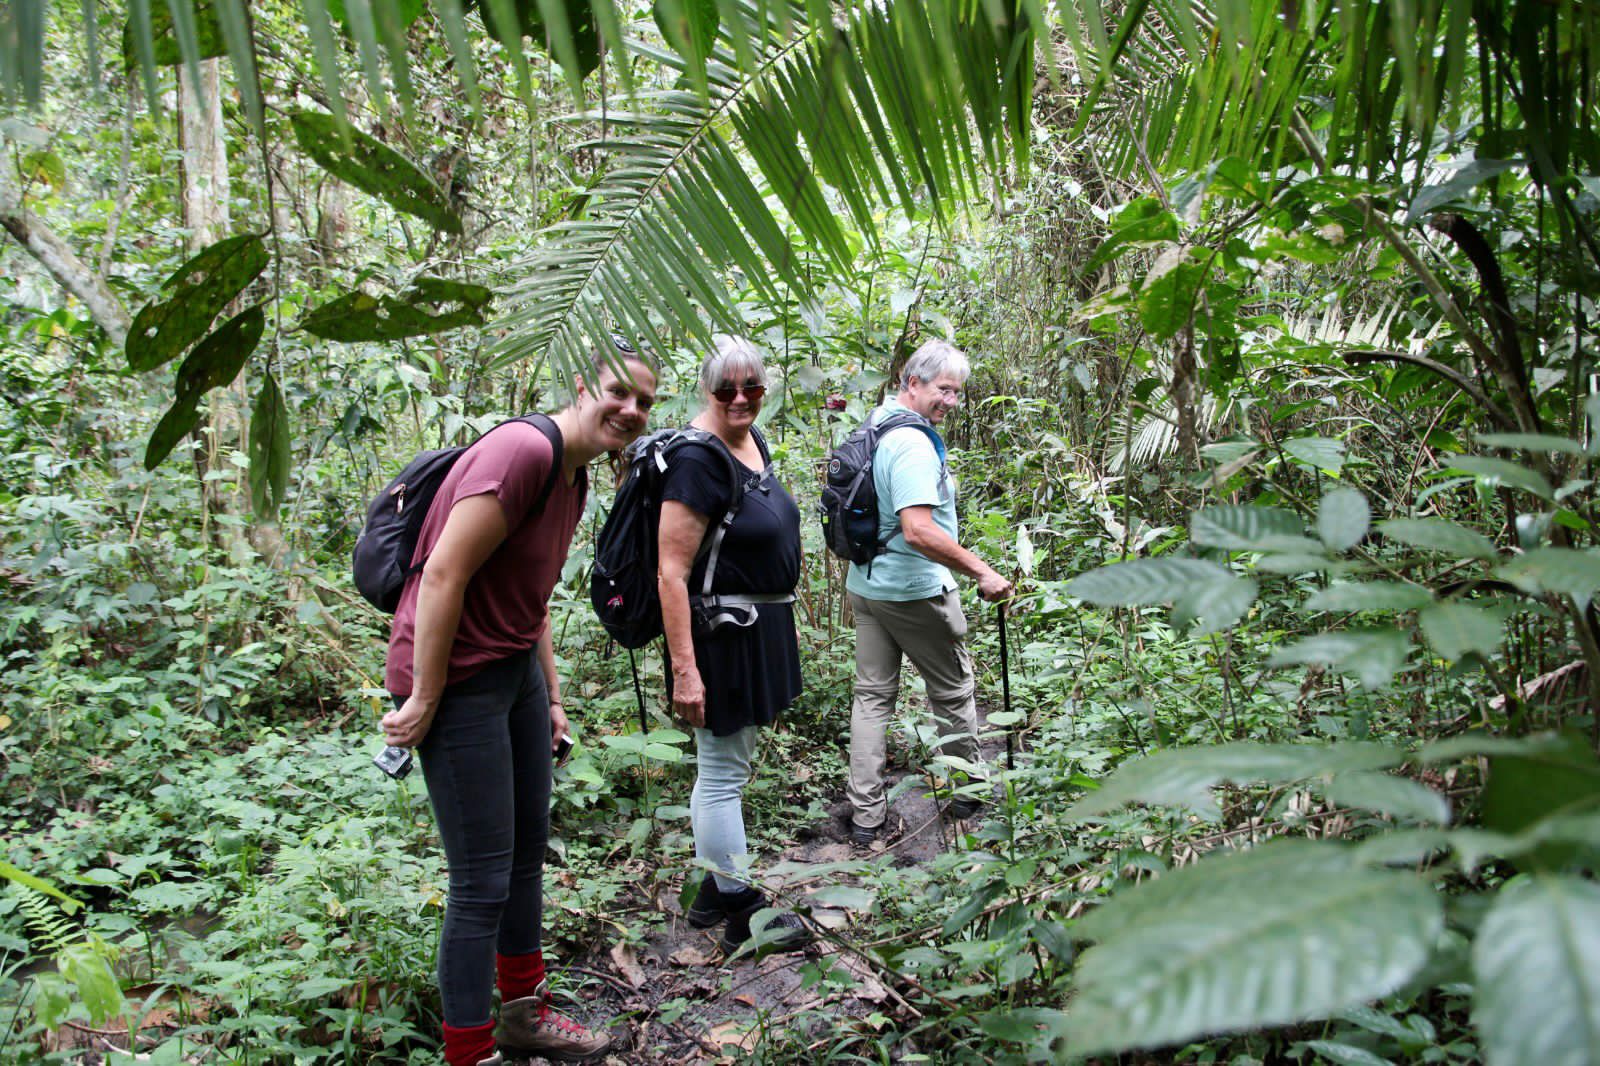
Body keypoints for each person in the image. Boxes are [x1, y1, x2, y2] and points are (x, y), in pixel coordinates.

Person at [381, 340, 657, 1066]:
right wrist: (425, 696)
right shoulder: (523, 453)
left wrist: (556, 699)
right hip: (458, 677)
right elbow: (442, 575)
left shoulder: (575, 475)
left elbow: (528, 599)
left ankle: (523, 1017)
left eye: (644, 403)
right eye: (618, 392)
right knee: (480, 880)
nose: (629, 410)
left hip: (512, 670)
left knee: (527, 852)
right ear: (581, 386)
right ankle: (471, 1053)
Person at [656, 335, 811, 955]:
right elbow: (670, 571)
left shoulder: (749, 440)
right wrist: (684, 670)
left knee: (732, 768)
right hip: (723, 635)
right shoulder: (698, 459)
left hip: (758, 626)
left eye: (752, 388)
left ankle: (711, 893)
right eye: (726, 390)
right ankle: (743, 907)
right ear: (706, 390)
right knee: (721, 773)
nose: (741, 399)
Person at [844, 338, 1013, 847]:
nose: (951, 401)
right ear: (911, 382)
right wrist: (981, 571)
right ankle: (968, 792)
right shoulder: (913, 443)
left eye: (957, 392)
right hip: (914, 589)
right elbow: (917, 529)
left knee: (871, 698)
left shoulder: (874, 424)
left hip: (867, 584)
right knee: (953, 691)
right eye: (943, 389)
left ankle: (865, 815)